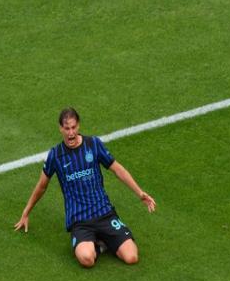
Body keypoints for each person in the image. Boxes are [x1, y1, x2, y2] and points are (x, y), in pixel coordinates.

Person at [14, 107, 156, 268]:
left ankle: (104, 241)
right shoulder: (56, 155)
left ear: (78, 125)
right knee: (87, 259)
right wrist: (26, 212)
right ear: (60, 128)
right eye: (67, 128)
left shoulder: (93, 144)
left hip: (104, 213)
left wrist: (139, 192)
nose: (71, 133)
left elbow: (118, 170)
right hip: (80, 221)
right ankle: (98, 245)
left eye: (73, 127)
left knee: (132, 257)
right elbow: (42, 186)